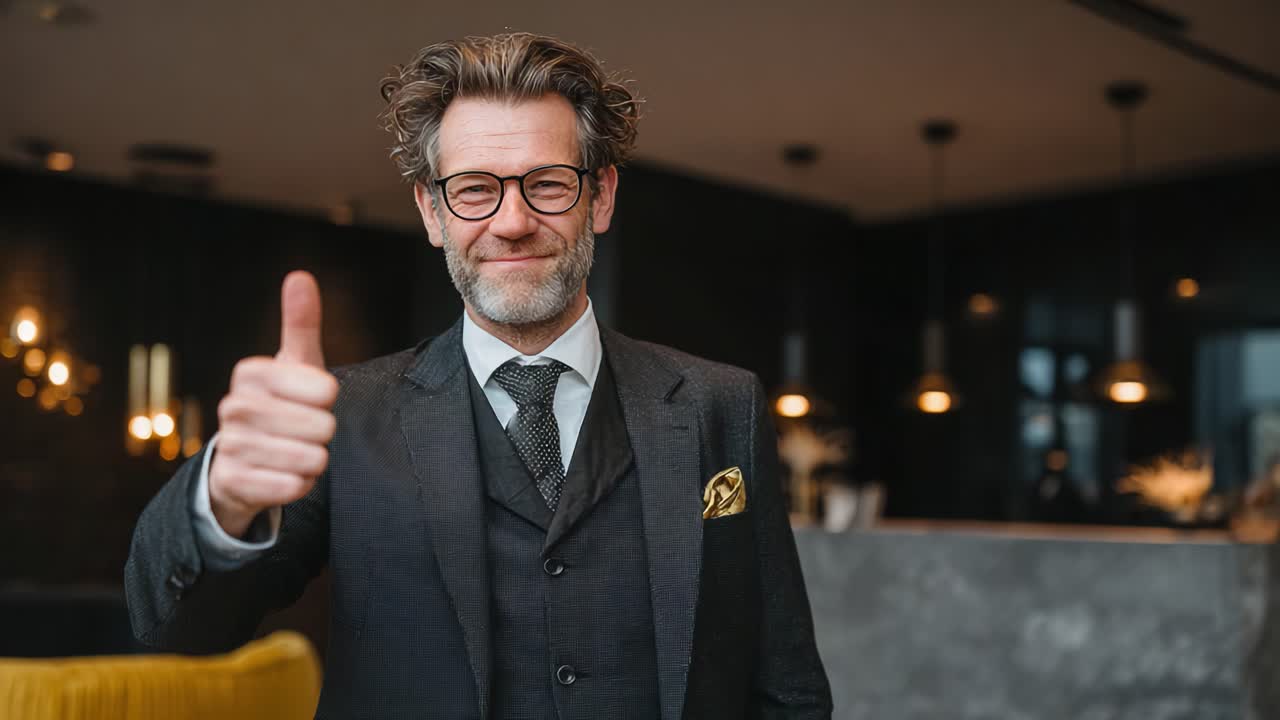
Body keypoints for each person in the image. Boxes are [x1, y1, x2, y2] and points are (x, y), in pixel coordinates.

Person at [124, 32, 832, 719]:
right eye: (473, 190)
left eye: (548, 184)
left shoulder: (720, 406)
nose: (513, 220)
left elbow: (786, 686)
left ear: (602, 197)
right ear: (432, 212)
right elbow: (180, 628)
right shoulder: (345, 415)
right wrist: (223, 498)